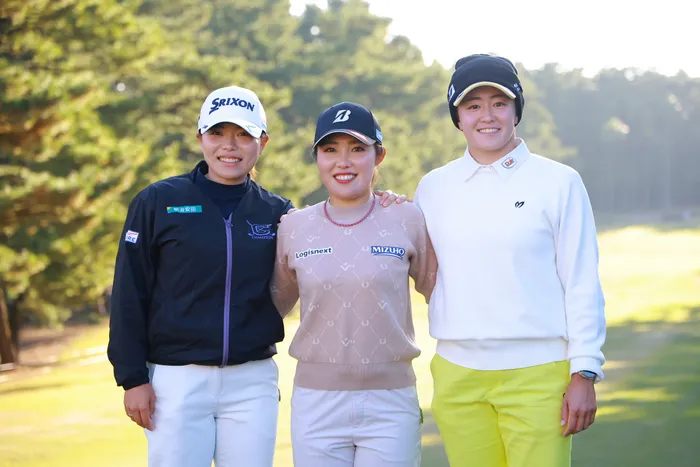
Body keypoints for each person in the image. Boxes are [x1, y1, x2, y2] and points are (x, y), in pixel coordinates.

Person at [107, 86, 406, 467]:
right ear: (200, 138)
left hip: (252, 382)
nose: (229, 146)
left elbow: (337, 237)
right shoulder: (158, 202)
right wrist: (132, 377)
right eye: (217, 133)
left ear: (262, 143)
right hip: (176, 380)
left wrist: (382, 203)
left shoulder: (278, 213)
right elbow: (129, 292)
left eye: (243, 135)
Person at [414, 54, 607, 467]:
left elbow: (581, 282)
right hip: (457, 376)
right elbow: (419, 268)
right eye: (473, 105)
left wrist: (584, 371)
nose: (487, 116)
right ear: (458, 116)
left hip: (539, 374)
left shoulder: (559, 182)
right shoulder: (432, 187)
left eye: (499, 103)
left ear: (516, 110)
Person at [271, 102, 438, 467]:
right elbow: (271, 308)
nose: (343, 162)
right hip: (316, 403)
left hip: (391, 401)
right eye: (330, 150)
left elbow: (441, 293)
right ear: (317, 158)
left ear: (379, 155)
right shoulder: (293, 227)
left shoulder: (406, 217)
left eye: (357, 149)